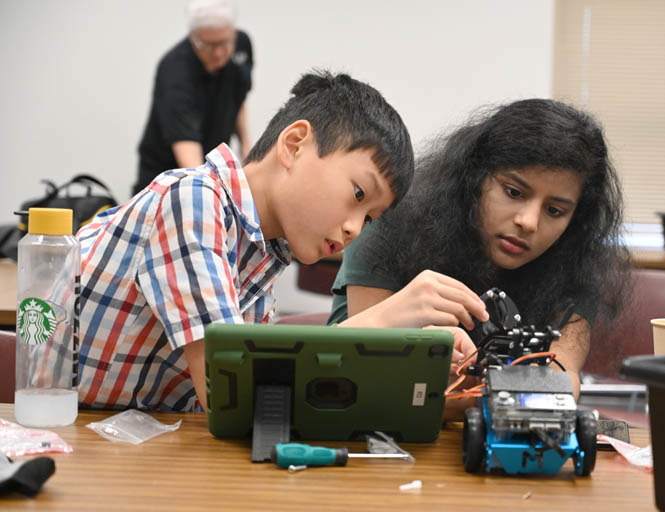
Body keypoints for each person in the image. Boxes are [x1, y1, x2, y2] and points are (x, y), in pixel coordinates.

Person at [77, 70, 417, 412]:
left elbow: (263, 395)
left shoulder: (265, 251)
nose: (355, 229)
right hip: (71, 440)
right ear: (295, 144)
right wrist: (378, 321)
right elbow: (231, 396)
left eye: (370, 217)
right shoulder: (193, 200)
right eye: (358, 193)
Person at [329, 99, 631, 401]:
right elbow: (369, 372)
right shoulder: (389, 225)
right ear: (475, 177)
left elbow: (560, 384)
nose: (528, 222)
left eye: (554, 211)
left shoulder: (575, 269)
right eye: (513, 192)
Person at [132, 0, 254, 195]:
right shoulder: (175, 71)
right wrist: (209, 193)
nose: (219, 53)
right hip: (168, 182)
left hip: (210, 168)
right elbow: (188, 152)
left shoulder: (242, 45)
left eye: (224, 43)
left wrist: (246, 149)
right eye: (210, 45)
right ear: (194, 38)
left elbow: (238, 98)